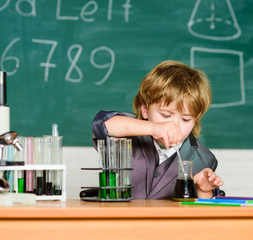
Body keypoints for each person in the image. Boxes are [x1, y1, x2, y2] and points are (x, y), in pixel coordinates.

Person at [92, 60, 223, 199]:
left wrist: (203, 190)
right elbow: (103, 124)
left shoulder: (203, 159)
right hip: (118, 220)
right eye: (165, 115)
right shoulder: (129, 130)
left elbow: (201, 216)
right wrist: (154, 128)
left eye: (186, 119)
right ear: (145, 110)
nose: (174, 126)